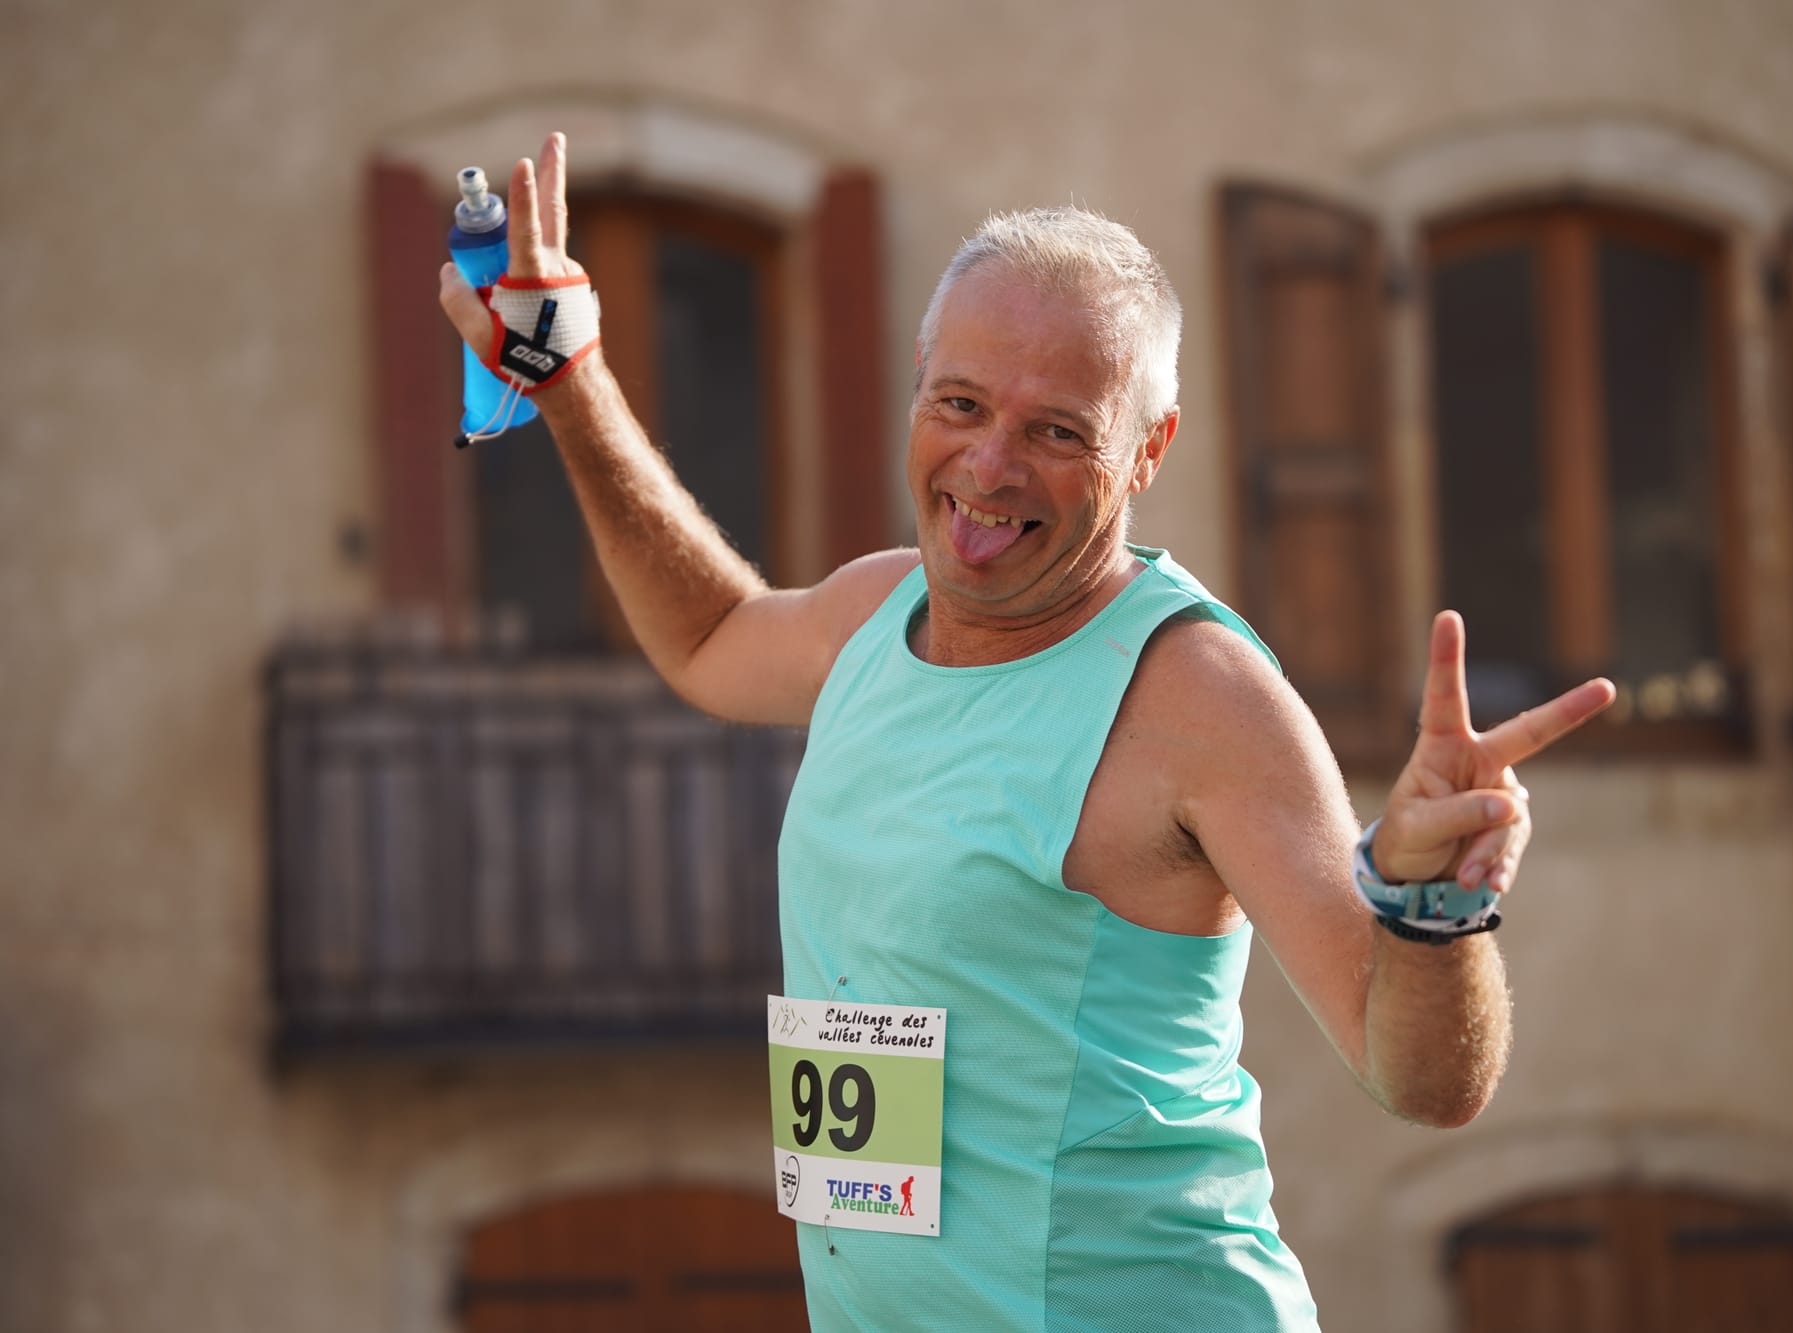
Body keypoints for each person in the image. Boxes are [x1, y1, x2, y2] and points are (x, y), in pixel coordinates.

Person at [439, 133, 1615, 1332]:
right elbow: (707, 638)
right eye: (959, 405)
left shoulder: (1197, 695)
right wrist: (568, 377)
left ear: (1147, 449)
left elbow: (1421, 1079)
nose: (988, 467)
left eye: (1057, 431)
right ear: (917, 393)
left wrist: (1432, 906)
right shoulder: (872, 614)